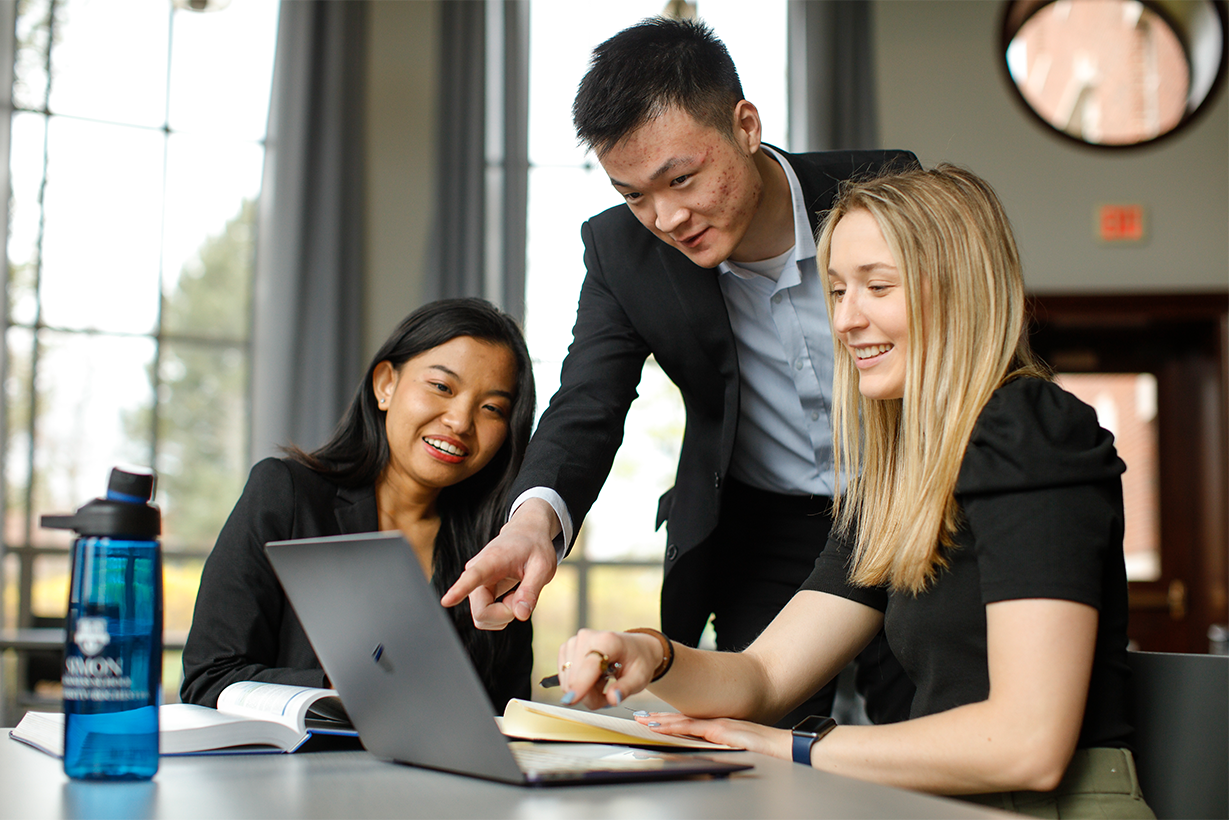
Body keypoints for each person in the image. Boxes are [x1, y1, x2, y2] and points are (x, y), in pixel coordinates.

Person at [552, 165, 1155, 819]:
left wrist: (798, 747)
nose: (845, 319)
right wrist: (650, 653)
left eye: (877, 287)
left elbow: (1026, 745)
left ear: (960, 292)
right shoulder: (899, 475)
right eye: (836, 291)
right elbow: (763, 677)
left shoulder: (1027, 427)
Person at [443, 17, 916, 727]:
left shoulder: (888, 191)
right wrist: (531, 526)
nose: (665, 217)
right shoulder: (619, 253)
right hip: (767, 528)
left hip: (914, 502)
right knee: (760, 744)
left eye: (682, 178)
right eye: (634, 194)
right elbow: (588, 403)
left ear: (746, 125)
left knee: (924, 727)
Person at [181, 298, 536, 713]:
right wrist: (357, 684)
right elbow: (209, 679)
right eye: (441, 387)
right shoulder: (287, 494)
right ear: (386, 384)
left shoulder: (495, 550)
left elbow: (507, 716)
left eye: (492, 408)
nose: (460, 421)